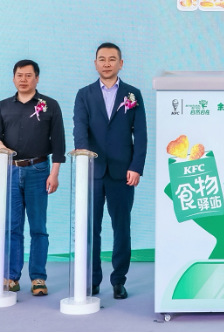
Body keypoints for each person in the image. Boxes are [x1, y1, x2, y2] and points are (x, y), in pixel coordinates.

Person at [73, 43, 147, 300]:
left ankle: (119, 281)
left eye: (112, 59)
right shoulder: (84, 94)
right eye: (102, 59)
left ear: (121, 63)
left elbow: (141, 134)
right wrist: (83, 161)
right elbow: (80, 129)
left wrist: (136, 167)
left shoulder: (133, 94)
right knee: (91, 229)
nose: (107, 63)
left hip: (122, 173)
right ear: (95, 63)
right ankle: (92, 280)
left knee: (122, 228)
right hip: (92, 171)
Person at [0, 60, 66, 297]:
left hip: (39, 170)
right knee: (12, 227)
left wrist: (54, 173)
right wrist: (1, 146)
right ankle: (12, 276)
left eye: (28, 75)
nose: (23, 79)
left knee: (38, 227)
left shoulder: (50, 105)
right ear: (13, 78)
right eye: (19, 75)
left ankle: (38, 277)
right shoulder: (3, 106)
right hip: (10, 171)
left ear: (37, 78)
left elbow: (59, 143)